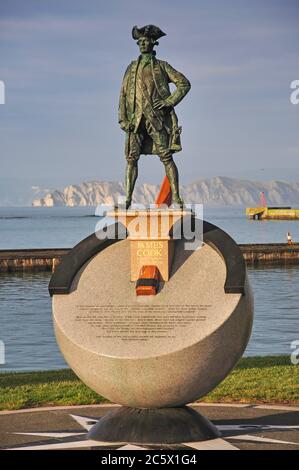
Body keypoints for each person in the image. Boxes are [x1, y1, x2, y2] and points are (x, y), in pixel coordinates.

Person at [118, 25, 191, 209]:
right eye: (140, 42)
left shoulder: (162, 66)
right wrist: (123, 119)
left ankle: (176, 198)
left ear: (153, 43)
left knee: (166, 158)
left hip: (157, 119)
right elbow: (124, 95)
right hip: (135, 121)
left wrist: (169, 102)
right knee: (131, 159)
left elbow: (184, 84)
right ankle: (127, 199)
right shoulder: (131, 68)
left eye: (146, 41)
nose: (142, 44)